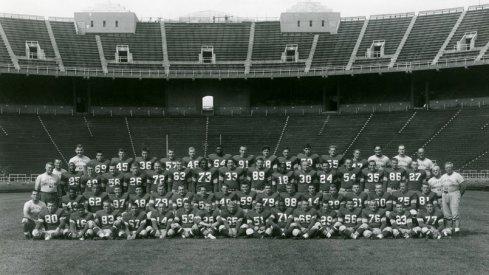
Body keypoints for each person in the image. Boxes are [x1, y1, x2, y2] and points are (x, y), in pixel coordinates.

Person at [440, 162, 466, 235]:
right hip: (445, 194)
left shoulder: (457, 175)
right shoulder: (443, 176)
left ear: (452, 168)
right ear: (445, 168)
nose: (448, 169)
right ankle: (449, 229)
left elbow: (464, 185)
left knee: (455, 213)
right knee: (446, 213)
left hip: (454, 193)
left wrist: (459, 194)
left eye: (450, 167)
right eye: (447, 167)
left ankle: (457, 230)